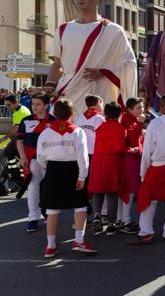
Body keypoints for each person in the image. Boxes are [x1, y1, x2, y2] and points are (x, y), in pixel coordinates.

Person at [44, 0, 136, 115]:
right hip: (68, 92)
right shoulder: (63, 29)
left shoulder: (113, 30)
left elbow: (129, 63)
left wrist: (104, 72)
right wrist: (50, 85)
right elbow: (57, 64)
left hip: (99, 94)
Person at [36, 98, 96, 257]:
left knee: (52, 209)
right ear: (71, 113)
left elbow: (40, 156)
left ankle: (50, 246)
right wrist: (82, 176)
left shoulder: (46, 132)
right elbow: (83, 157)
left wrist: (47, 167)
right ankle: (79, 240)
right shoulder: (77, 131)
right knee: (81, 206)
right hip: (73, 170)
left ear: (54, 114)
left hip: (53, 170)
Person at [132, 94, 165, 245]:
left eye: (161, 105)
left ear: (163, 106)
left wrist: (143, 172)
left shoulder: (155, 124)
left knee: (149, 199)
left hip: (157, 166)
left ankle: (146, 231)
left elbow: (147, 150)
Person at [15, 94, 54, 232]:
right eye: (33, 104)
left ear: (46, 105)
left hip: (51, 160)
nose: (34, 107)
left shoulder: (55, 121)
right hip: (32, 160)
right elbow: (19, 141)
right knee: (32, 188)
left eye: (38, 104)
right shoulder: (26, 120)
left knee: (50, 188)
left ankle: (49, 214)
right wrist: (22, 157)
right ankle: (33, 218)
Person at [87, 102, 127, 235]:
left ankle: (97, 216)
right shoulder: (120, 128)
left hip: (97, 160)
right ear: (119, 114)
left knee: (98, 192)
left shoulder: (100, 127)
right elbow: (120, 148)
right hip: (112, 161)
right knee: (112, 194)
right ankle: (111, 223)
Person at [118, 97, 145, 234]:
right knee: (129, 190)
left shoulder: (133, 120)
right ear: (129, 109)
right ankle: (125, 221)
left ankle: (122, 219)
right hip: (130, 159)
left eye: (142, 107)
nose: (142, 110)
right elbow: (130, 141)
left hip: (135, 158)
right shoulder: (126, 121)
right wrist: (140, 125)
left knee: (130, 190)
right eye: (138, 107)